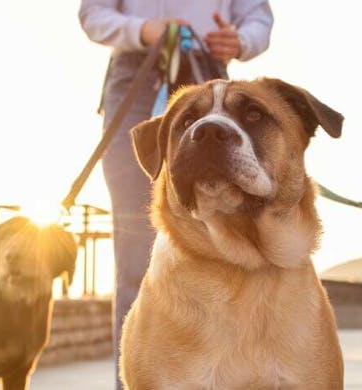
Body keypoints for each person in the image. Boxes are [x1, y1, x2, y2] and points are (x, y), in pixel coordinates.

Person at [78, 1, 273, 387]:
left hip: (210, 78)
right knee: (135, 251)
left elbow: (258, 15)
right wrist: (143, 30)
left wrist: (241, 40)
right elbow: (92, 14)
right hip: (137, 75)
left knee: (230, 244)